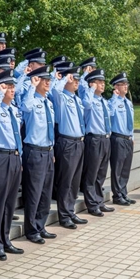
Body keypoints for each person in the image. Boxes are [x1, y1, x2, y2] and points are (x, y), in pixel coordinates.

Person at [0, 69, 25, 258]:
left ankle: (6, 238)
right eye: (8, 86)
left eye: (13, 86)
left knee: (9, 202)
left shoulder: (14, 110)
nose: (12, 89)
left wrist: (20, 158)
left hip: (14, 157)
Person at [19, 66, 57, 244]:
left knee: (45, 193)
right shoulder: (31, 100)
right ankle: (31, 229)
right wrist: (31, 86)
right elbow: (25, 107)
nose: (48, 82)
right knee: (34, 193)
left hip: (48, 151)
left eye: (49, 79)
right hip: (34, 151)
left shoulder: (48, 102)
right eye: (44, 79)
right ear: (36, 81)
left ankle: (41, 226)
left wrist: (53, 150)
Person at [50, 65, 89, 229]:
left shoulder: (77, 99)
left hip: (79, 142)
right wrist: (65, 77)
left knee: (74, 180)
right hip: (67, 142)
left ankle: (71, 211)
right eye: (74, 79)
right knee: (66, 181)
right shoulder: (61, 98)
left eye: (78, 79)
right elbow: (55, 90)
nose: (77, 82)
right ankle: (64, 215)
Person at [79, 68, 115, 216]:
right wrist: (90, 89)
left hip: (105, 139)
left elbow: (111, 114)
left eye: (103, 82)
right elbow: (86, 104)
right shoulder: (89, 99)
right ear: (92, 84)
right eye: (99, 82)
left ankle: (99, 201)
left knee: (101, 173)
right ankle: (92, 205)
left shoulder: (103, 101)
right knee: (91, 174)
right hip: (93, 139)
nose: (103, 84)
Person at [109, 72, 136, 206]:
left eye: (126, 84)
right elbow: (110, 114)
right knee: (117, 168)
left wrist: (133, 137)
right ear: (116, 87)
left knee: (126, 168)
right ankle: (117, 195)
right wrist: (114, 98)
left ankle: (124, 193)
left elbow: (131, 121)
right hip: (118, 138)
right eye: (122, 84)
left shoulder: (128, 103)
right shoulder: (112, 102)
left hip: (128, 138)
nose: (125, 87)